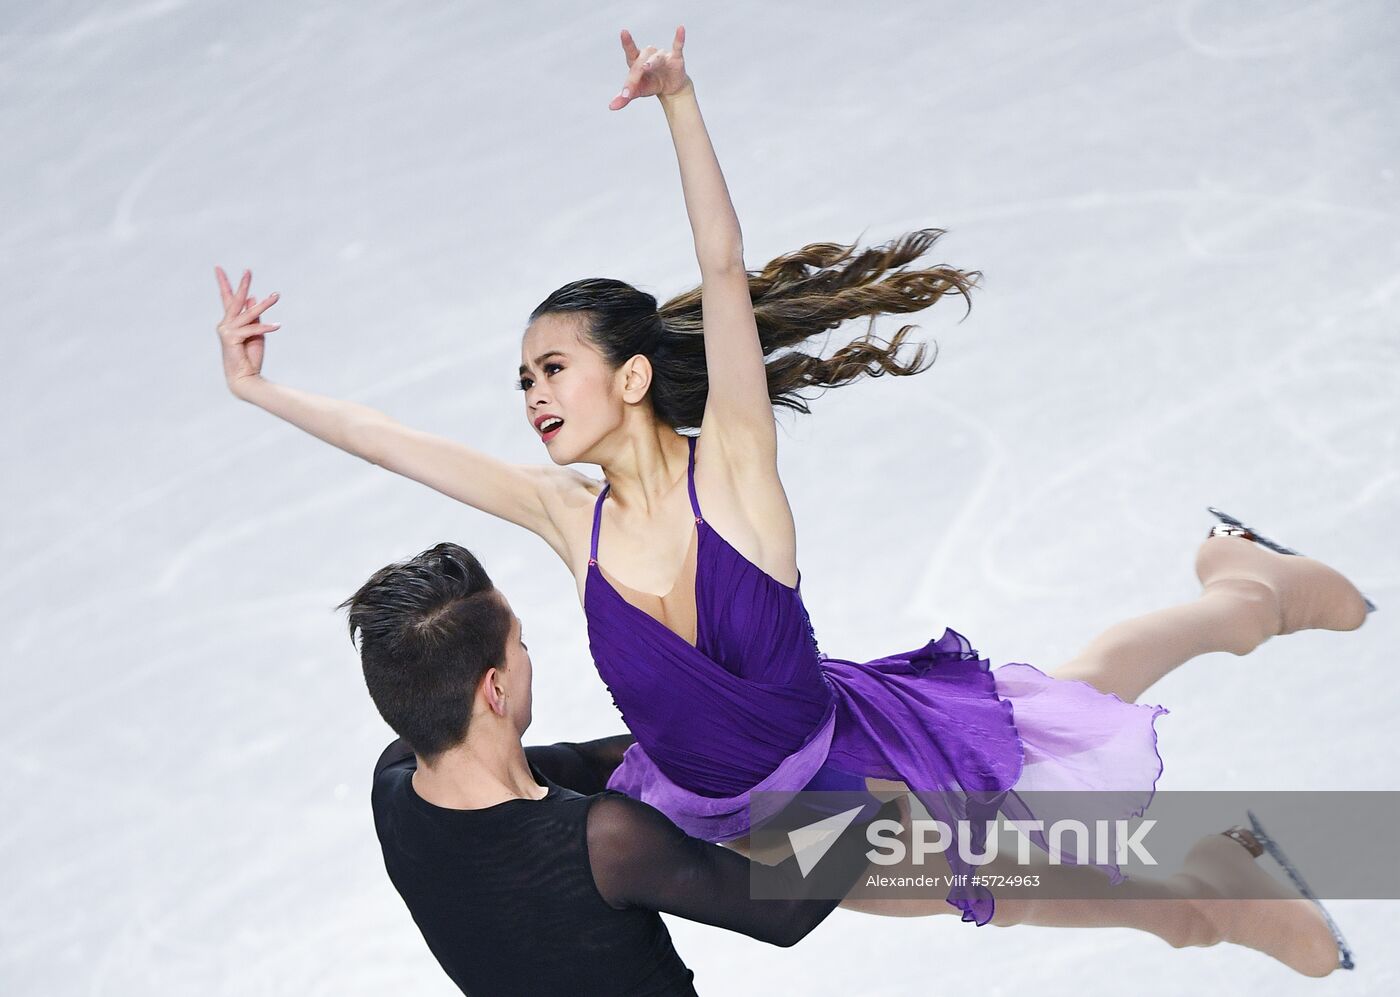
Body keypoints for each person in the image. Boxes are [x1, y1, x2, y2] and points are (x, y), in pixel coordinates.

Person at [212, 26, 1367, 977]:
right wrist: (257, 386)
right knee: (1045, 837)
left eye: (549, 368)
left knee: (1061, 745)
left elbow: (722, 273)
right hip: (729, 819)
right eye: (519, 378)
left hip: (850, 784)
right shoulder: (571, 517)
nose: (530, 394)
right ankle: (1228, 791)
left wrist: (678, 103)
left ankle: (1245, 608)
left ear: (626, 376)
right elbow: (393, 446)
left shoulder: (736, 479)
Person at [347, 542, 904, 997]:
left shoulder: (394, 783)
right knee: (977, 838)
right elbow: (783, 907)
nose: (527, 659)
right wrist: (872, 789)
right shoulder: (604, 840)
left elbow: (587, 762)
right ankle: (995, 846)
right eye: (521, 645)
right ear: (494, 688)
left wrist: (727, 733)